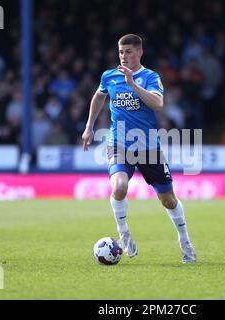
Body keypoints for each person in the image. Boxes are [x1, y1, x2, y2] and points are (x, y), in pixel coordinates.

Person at [82, 34, 196, 263]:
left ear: (140, 52)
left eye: (129, 52)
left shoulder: (151, 77)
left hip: (148, 147)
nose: (124, 56)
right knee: (120, 186)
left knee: (169, 200)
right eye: (121, 52)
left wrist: (133, 84)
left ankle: (184, 240)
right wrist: (89, 126)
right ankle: (123, 232)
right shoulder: (109, 76)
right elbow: (98, 96)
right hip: (119, 144)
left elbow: (158, 104)